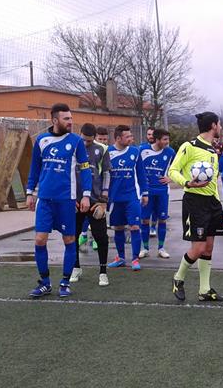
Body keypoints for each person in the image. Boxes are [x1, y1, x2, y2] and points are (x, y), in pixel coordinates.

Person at [25, 103, 92, 298]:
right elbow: (34, 167)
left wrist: (86, 195)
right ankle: (45, 283)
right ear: (55, 120)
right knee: (40, 239)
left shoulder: (76, 141)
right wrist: (30, 192)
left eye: (71, 118)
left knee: (69, 239)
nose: (70, 121)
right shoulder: (41, 140)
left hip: (66, 200)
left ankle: (65, 282)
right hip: (45, 199)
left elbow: (85, 169)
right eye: (66, 119)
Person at [168, 111, 223, 302]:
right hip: (195, 202)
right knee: (199, 248)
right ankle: (178, 279)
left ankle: (204, 290)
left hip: (213, 202)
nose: (221, 127)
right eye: (219, 124)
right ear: (213, 126)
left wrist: (217, 201)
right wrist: (187, 183)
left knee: (208, 248)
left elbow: (213, 180)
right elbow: (173, 170)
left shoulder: (213, 150)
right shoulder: (189, 146)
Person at [70, 123, 111, 286]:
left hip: (95, 201)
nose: (85, 143)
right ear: (79, 134)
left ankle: (103, 272)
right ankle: (76, 267)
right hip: (75, 200)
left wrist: (104, 199)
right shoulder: (72, 147)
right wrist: (69, 198)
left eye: (89, 140)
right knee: (72, 236)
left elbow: (106, 174)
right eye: (83, 140)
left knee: (101, 237)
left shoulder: (102, 149)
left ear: (94, 138)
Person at [106, 125, 149, 271]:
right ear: (118, 138)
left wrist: (145, 193)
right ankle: (121, 258)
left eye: (131, 136)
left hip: (132, 196)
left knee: (135, 226)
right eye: (128, 136)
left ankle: (135, 259)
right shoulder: (108, 152)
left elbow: (141, 174)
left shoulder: (135, 152)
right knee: (118, 227)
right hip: (114, 198)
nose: (131, 138)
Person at [139, 127, 175, 258]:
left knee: (162, 219)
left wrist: (170, 178)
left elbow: (177, 168)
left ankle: (161, 248)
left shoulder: (170, 152)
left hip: (162, 191)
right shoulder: (142, 150)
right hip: (147, 191)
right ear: (157, 139)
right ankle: (145, 248)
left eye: (168, 139)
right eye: (165, 139)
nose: (167, 142)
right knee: (144, 220)